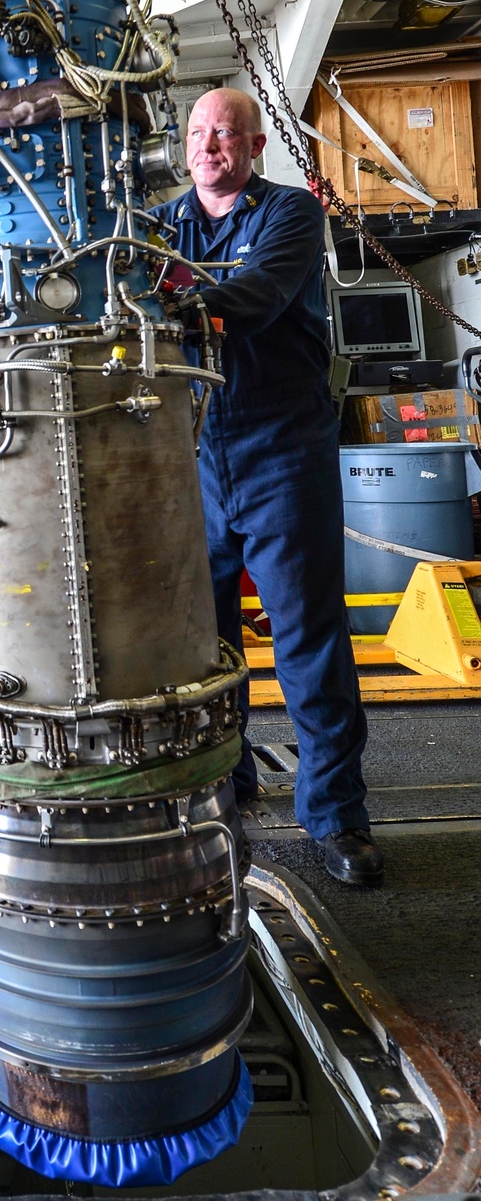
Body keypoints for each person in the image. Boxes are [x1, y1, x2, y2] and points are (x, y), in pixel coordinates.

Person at [152, 88, 383, 890]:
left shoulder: (289, 214)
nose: (210, 144)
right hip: (194, 453)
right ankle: (225, 783)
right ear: (183, 149)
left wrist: (164, 304)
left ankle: (336, 816)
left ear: (253, 146)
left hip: (282, 445)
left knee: (306, 638)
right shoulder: (158, 228)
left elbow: (253, 298)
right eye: (197, 133)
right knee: (203, 645)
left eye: (225, 133)